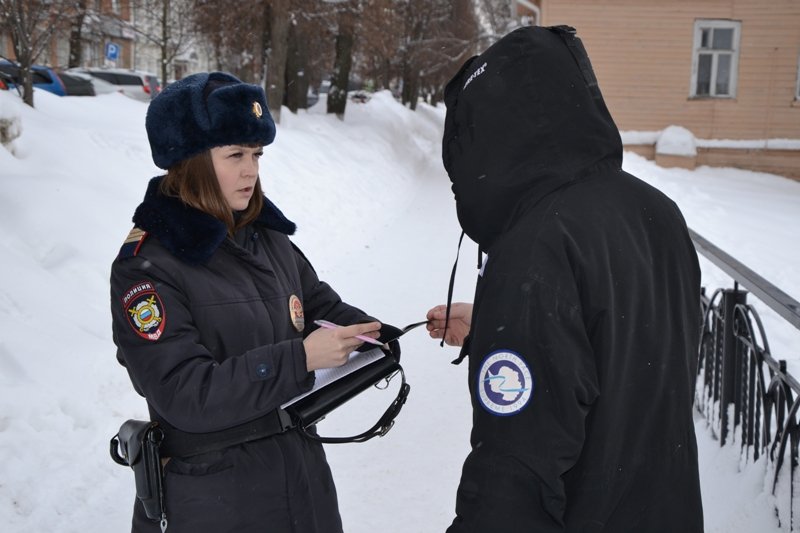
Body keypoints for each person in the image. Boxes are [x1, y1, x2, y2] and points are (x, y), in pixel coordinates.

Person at [426, 25, 704, 532]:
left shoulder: (534, 249)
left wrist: (519, 310)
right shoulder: (656, 210)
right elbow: (622, 345)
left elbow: (513, 476)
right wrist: (498, 323)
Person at [110, 71, 392, 533]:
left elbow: (315, 304)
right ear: (189, 160)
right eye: (235, 154)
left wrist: (376, 334)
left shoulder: (266, 236)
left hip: (301, 481)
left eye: (256, 154)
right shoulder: (147, 267)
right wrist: (297, 358)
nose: (252, 170)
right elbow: (184, 394)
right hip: (216, 500)